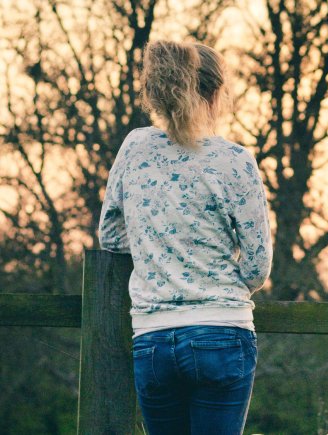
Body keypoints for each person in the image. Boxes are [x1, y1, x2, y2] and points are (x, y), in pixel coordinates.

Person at [97, 39, 273, 435]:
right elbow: (258, 266)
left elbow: (110, 235)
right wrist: (218, 286)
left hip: (153, 337)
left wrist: (154, 248)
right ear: (214, 94)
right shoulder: (234, 160)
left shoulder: (135, 148)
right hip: (222, 332)